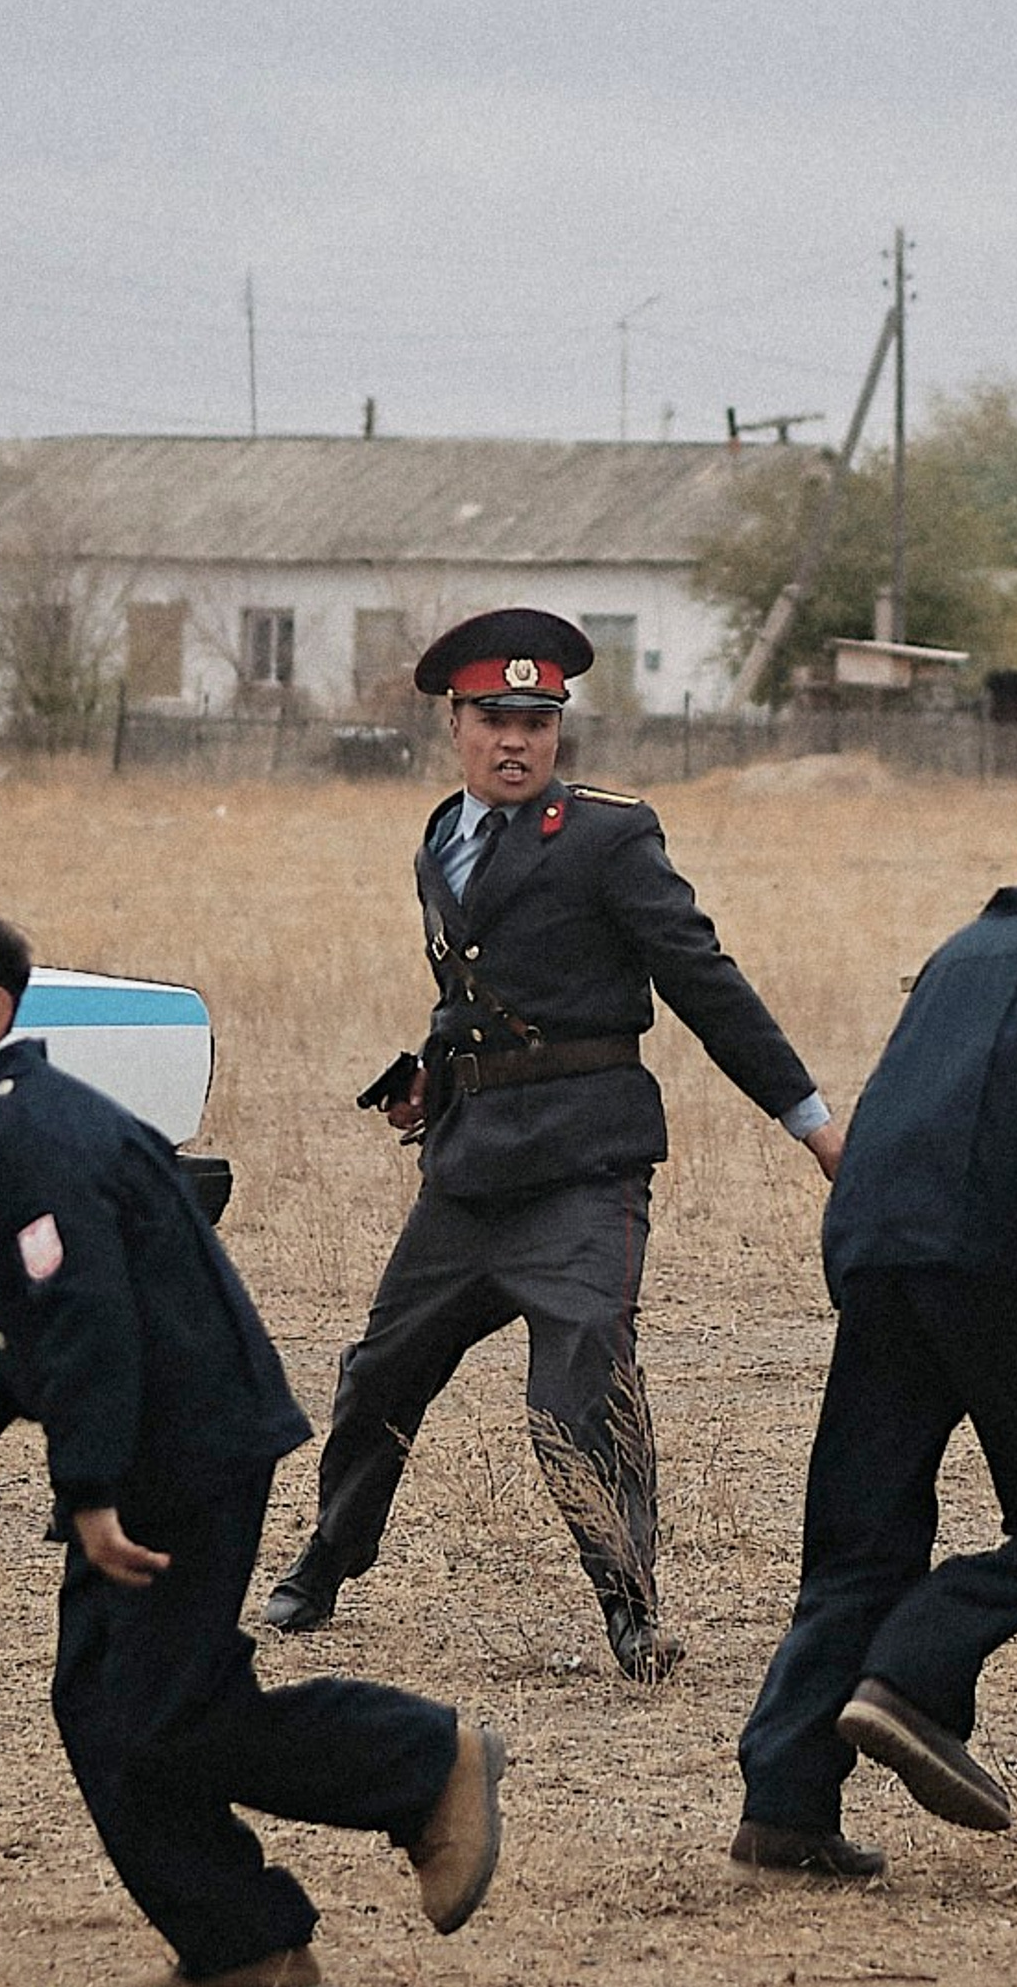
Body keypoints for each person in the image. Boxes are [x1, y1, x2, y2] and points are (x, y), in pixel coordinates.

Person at [0, 904, 503, 1987]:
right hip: (169, 1436)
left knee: (166, 1716)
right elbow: (63, 1301)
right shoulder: (9, 1124)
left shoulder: (33, 1135)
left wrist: (93, 1494)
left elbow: (97, 1321)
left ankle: (423, 1765)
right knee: (104, 1705)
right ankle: (240, 1947)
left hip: (188, 1449)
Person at [265, 610, 844, 1680]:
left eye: (538, 719)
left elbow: (701, 981)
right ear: (455, 723)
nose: (517, 739)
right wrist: (430, 1077)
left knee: (581, 1377)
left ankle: (631, 1605)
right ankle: (327, 1561)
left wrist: (806, 1118)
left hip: (584, 1168)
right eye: (495, 718)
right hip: (470, 1169)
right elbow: (472, 997)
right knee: (380, 1373)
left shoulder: (608, 837)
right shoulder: (442, 836)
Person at [732, 759, 1017, 1880]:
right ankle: (912, 1678)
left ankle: (785, 1807)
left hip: (878, 1251)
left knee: (859, 1540)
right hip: (991, 1258)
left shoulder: (962, 947)